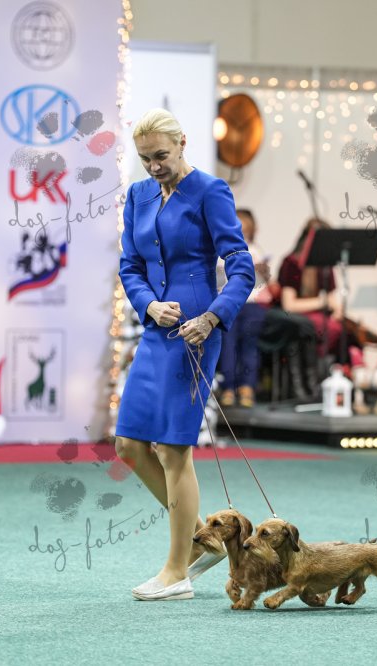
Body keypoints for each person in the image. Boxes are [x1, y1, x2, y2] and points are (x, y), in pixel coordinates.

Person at [114, 108, 255, 601]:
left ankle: (177, 572)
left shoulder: (211, 191)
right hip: (157, 331)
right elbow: (130, 265)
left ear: (182, 144)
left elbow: (241, 266)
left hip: (197, 333)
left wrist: (213, 317)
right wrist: (148, 304)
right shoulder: (138, 195)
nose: (154, 166)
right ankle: (203, 540)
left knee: (174, 449)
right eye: (145, 159)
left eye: (161, 155)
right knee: (129, 446)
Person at [215, 208, 271, 407]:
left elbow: (263, 282)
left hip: (251, 306)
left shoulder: (255, 251)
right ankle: (228, 387)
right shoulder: (220, 251)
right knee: (227, 346)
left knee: (249, 347)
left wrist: (262, 271)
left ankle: (247, 387)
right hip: (228, 304)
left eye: (245, 231)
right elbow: (218, 278)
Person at [277, 217, 344, 362]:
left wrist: (338, 311)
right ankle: (318, 367)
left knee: (345, 331)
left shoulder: (324, 265)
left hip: (319, 314)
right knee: (328, 328)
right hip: (297, 316)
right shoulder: (291, 263)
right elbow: (289, 305)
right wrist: (323, 302)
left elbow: (332, 298)